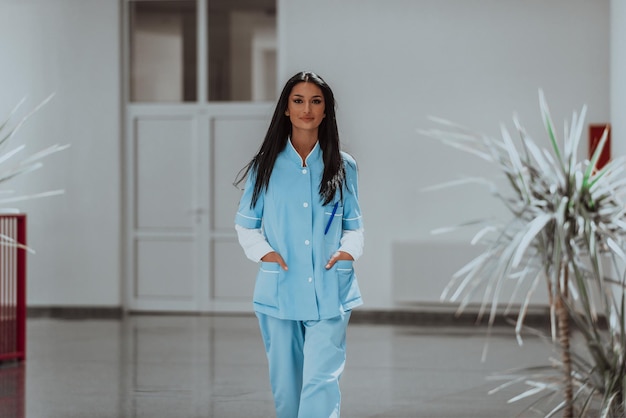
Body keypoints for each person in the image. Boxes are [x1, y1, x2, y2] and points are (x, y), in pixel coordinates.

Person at [234, 71, 364, 418]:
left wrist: (348, 252)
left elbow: (354, 226)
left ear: (326, 111)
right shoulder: (265, 166)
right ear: (287, 110)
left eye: (316, 101)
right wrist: (266, 253)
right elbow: (246, 226)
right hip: (279, 290)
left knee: (321, 381)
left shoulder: (344, 166)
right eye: (298, 100)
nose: (307, 108)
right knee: (287, 389)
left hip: (330, 288)